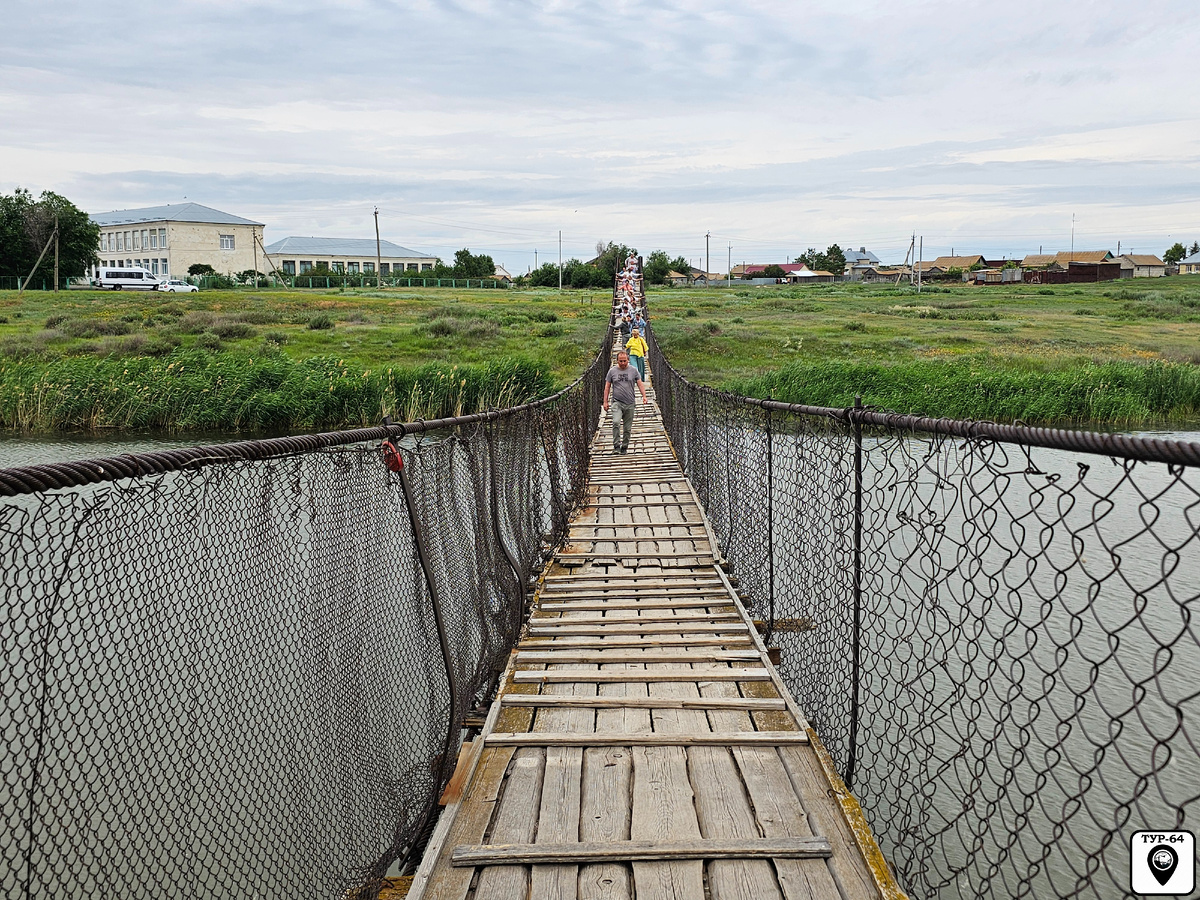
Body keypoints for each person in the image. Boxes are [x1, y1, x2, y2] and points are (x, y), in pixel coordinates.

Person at [603, 350, 648, 454]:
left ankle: (624, 447)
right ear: (616, 361)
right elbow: (607, 387)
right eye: (620, 361)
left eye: (624, 361)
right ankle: (616, 446)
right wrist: (605, 402)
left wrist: (644, 396)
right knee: (616, 422)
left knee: (627, 428)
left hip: (630, 403)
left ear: (628, 360)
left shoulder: (633, 370)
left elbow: (640, 384)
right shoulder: (612, 371)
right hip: (616, 402)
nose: (622, 363)